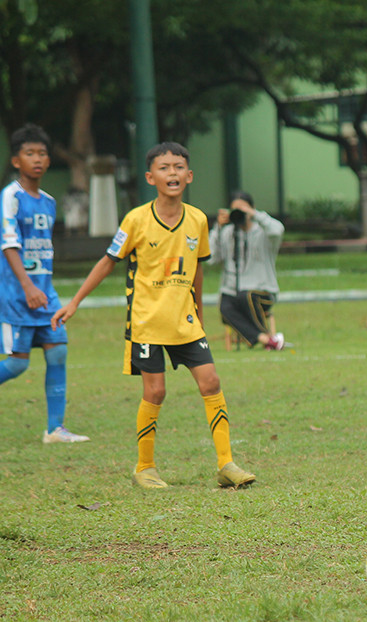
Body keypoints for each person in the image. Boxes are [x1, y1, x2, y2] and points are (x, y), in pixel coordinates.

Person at [51, 142, 256, 490]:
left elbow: (198, 271)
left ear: (189, 176)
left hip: (186, 322)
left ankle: (226, 464)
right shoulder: (136, 219)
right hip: (147, 323)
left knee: (211, 383)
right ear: (150, 177)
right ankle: (144, 467)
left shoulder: (197, 220)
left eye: (179, 167)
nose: (172, 173)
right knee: (156, 392)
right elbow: (106, 261)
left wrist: (200, 313)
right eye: (164, 167)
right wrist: (75, 302)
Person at [1, 123, 89, 444]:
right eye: (29, 153)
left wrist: (41, 288)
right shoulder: (10, 197)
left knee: (58, 353)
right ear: (16, 160)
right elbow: (9, 245)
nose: (37, 159)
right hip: (17, 295)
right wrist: (26, 286)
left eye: (42, 153)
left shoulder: (50, 202)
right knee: (15, 365)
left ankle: (55, 429)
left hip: (45, 294)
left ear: (49, 161)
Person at [208, 191, 286, 350]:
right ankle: (267, 340)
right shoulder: (227, 233)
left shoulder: (264, 232)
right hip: (234, 291)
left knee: (247, 296)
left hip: (263, 292)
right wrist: (217, 228)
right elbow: (211, 258)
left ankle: (267, 339)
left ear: (252, 209)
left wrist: (253, 214)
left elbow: (278, 230)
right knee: (225, 306)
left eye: (243, 209)